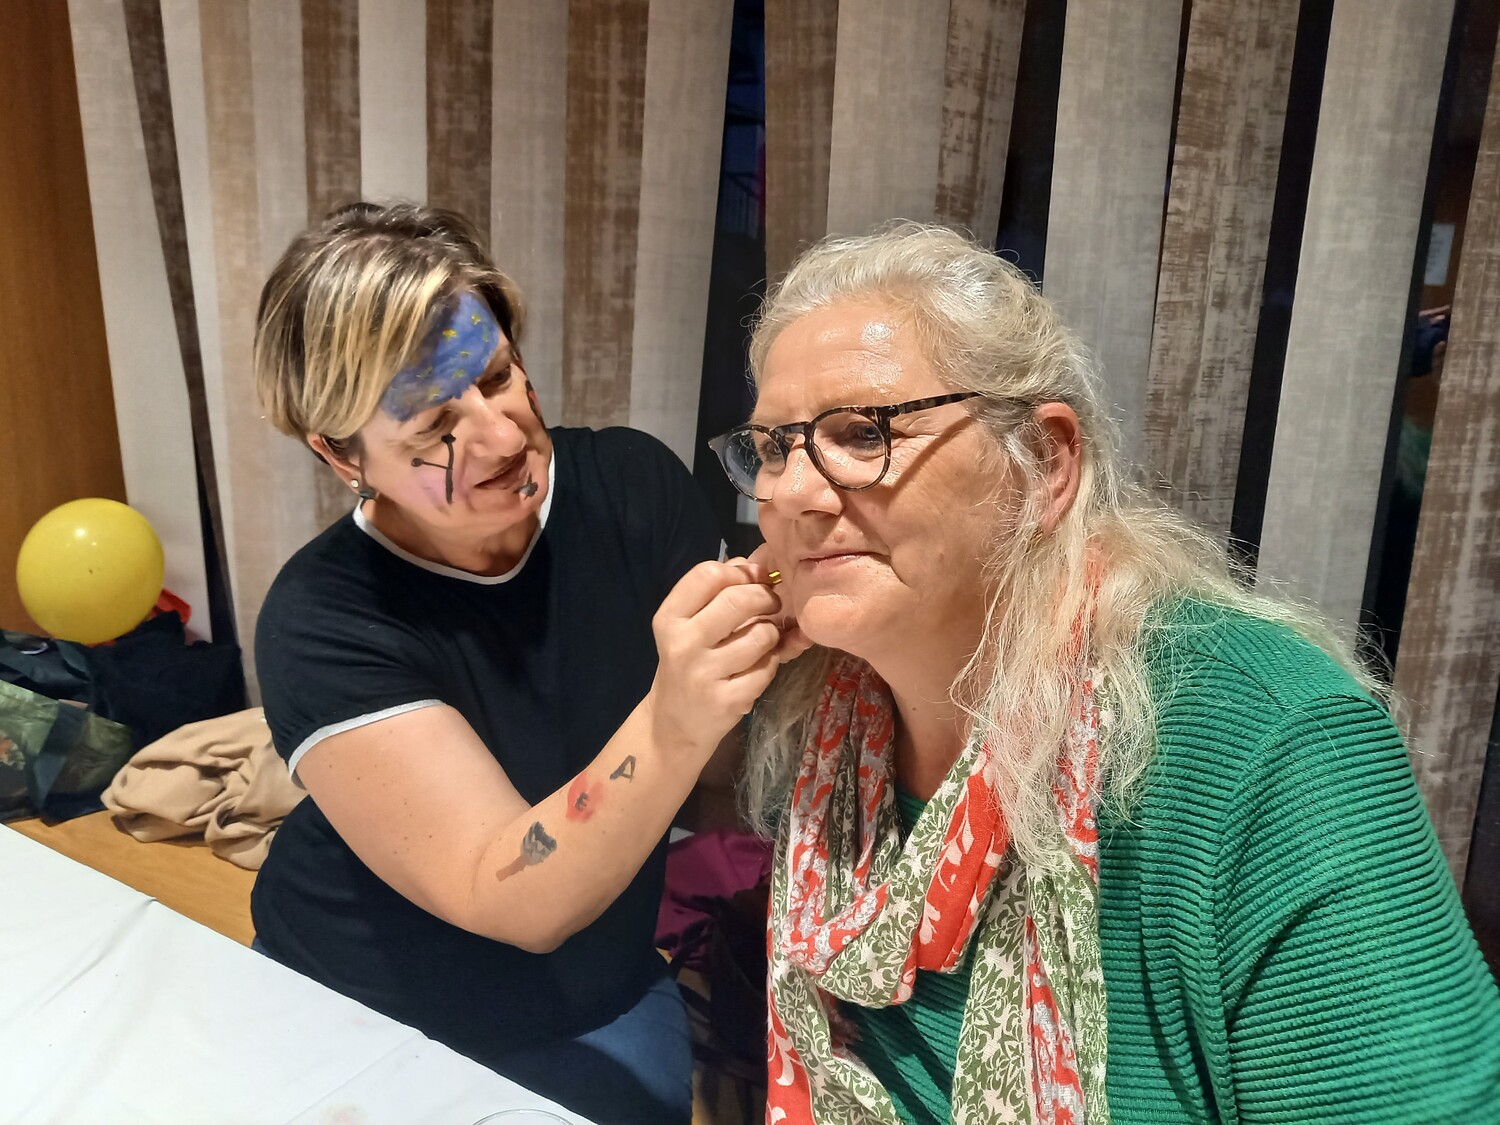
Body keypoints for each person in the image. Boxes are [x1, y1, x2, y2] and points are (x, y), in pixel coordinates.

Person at [709, 223, 1500, 1124]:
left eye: (862, 433)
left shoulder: (1273, 747)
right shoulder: (826, 710)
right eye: (772, 448)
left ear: (1045, 463)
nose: (793, 493)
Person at [249, 202, 792, 1124]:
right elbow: (509, 894)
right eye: (435, 425)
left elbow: (727, 767)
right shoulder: (323, 617)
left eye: (499, 376)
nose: (503, 438)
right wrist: (678, 713)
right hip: (358, 997)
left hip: (595, 992)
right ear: (343, 455)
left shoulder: (630, 486)